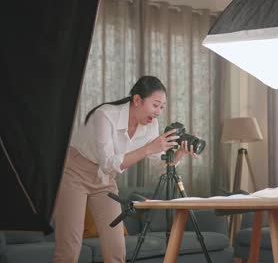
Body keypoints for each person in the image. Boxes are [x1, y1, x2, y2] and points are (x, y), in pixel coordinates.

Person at [53, 76, 197, 262]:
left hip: (105, 180)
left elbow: (159, 166)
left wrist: (179, 154)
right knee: (69, 248)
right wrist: (148, 148)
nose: (158, 112)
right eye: (155, 105)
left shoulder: (151, 125)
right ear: (137, 100)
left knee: (116, 249)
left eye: (162, 107)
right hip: (74, 173)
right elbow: (108, 162)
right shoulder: (104, 115)